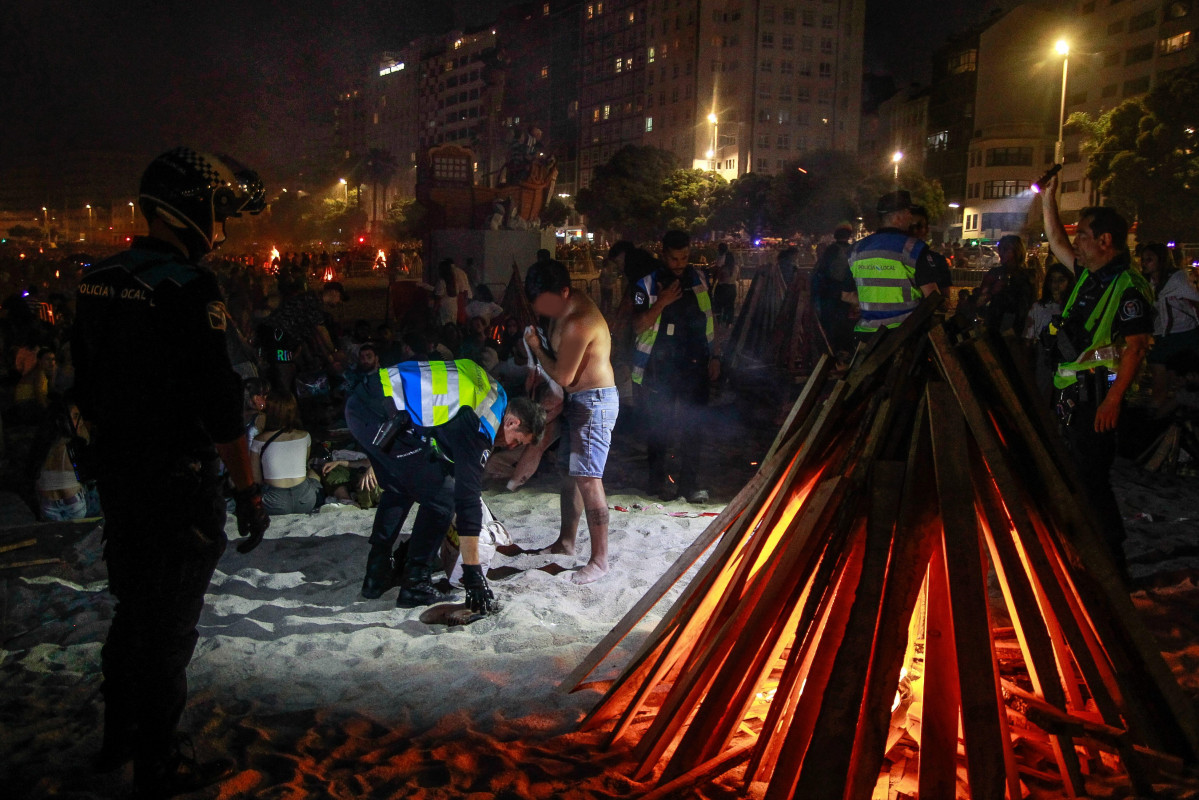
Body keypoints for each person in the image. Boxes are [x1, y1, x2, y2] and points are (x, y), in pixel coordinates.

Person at [72, 147, 270, 798]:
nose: (221, 228)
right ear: (192, 208)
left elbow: (83, 390)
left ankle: (117, 739)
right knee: (170, 626)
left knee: (132, 609)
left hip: (120, 479)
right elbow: (219, 403)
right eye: (218, 212)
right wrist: (247, 489)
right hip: (177, 482)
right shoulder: (188, 286)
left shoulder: (98, 279)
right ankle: (160, 761)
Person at [357, 359, 546, 609]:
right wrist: (473, 575)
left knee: (401, 486)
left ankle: (376, 573)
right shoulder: (484, 423)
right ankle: (415, 582)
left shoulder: (495, 393)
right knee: (444, 497)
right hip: (382, 414)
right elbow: (466, 501)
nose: (511, 447)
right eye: (517, 441)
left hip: (369, 400)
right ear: (512, 423)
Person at [1041, 176, 1153, 581]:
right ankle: (1082, 558)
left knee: (1092, 482)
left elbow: (1136, 348)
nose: (1078, 243)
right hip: (1069, 395)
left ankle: (1111, 565)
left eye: (1084, 235)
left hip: (1095, 400)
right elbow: (1056, 243)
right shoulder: (1089, 274)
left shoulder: (1128, 287)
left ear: (1105, 240)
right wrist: (1048, 199)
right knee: (1072, 477)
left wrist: (1112, 401)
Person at [523, 259, 619, 584]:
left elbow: (564, 376)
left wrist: (537, 349)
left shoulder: (580, 320)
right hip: (577, 401)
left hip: (594, 403)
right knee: (570, 474)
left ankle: (600, 559)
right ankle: (566, 543)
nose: (543, 309)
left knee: (589, 479)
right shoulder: (560, 306)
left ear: (564, 291)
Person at [631, 230, 719, 503]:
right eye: (673, 258)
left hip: (694, 365)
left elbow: (709, 319)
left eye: (684, 258)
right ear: (662, 253)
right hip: (659, 367)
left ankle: (689, 485)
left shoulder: (700, 280)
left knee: (694, 426)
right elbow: (637, 326)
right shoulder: (645, 284)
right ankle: (657, 484)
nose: (679, 264)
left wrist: (714, 356)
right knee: (660, 427)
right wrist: (663, 302)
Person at [841, 191, 940, 338]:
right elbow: (933, 297)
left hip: (867, 336)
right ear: (898, 217)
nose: (911, 217)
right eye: (908, 212)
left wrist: (874, 304)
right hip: (904, 335)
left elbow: (846, 295)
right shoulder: (914, 248)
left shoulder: (856, 250)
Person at [1139, 242, 1199, 414]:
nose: (1144, 263)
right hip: (1160, 337)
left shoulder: (1177, 279)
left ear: (1161, 260)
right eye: (1143, 260)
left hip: (1183, 335)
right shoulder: (1146, 283)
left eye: (1149, 259)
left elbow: (1195, 299)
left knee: (1184, 383)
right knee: (1159, 380)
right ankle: (1158, 419)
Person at [250, 392, 323, 515]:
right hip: (305, 501)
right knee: (313, 474)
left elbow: (256, 479)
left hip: (274, 504)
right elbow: (303, 466)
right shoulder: (305, 436)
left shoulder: (258, 441)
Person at [1023, 264, 1076, 402]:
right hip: (1045, 358)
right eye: (1052, 280)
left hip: (1068, 360)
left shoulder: (1074, 308)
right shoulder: (1039, 308)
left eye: (1061, 280)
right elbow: (1028, 339)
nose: (1055, 285)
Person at [976, 234, 1036, 334]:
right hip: (995, 324)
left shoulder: (1026, 276)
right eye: (1000, 249)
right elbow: (979, 301)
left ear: (1017, 251)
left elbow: (1031, 304)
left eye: (1006, 250)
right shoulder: (994, 273)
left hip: (1017, 327)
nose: (1001, 253)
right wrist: (992, 292)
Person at [811, 224, 855, 355]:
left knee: (829, 317)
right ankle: (844, 344)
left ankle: (830, 344)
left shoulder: (832, 249)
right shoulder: (852, 249)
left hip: (832, 288)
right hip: (847, 288)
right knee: (844, 316)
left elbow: (823, 268)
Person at [908, 206, 952, 296]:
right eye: (910, 227)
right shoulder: (895, 256)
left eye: (919, 226)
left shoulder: (938, 260)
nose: (915, 231)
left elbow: (945, 296)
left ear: (927, 229)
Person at [711, 242, 738, 328]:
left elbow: (719, 278)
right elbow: (738, 278)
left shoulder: (723, 268)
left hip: (722, 287)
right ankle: (729, 323)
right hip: (732, 287)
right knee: (730, 306)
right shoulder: (736, 268)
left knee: (718, 305)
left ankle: (718, 322)